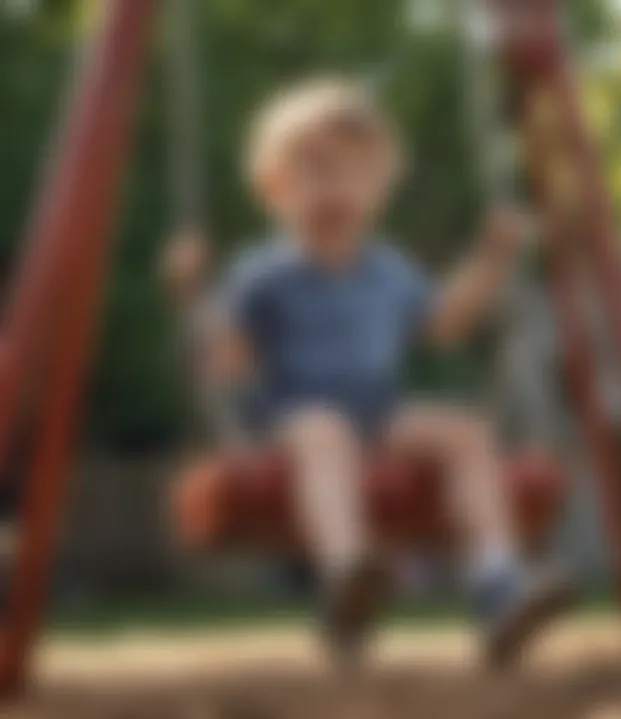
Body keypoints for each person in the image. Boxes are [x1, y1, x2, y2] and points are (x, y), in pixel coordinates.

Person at [162, 77, 574, 668]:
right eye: (317, 170)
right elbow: (229, 361)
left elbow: (446, 324)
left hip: (377, 411)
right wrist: (193, 297)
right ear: (274, 188)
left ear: (381, 191)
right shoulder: (263, 275)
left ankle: (498, 582)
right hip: (290, 418)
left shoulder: (390, 271)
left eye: (356, 174)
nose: (338, 189)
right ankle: (346, 574)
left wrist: (492, 259)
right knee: (324, 429)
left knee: (466, 430)